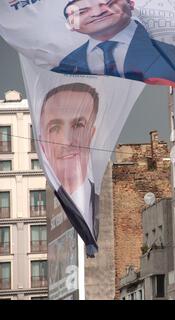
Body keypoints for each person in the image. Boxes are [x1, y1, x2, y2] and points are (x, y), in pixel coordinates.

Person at [52, 0, 175, 97]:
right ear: (71, 24)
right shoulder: (66, 64)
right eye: (82, 12)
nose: (98, 13)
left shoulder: (163, 51)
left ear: (131, 3)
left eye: (109, 3)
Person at [40, 83, 100, 256]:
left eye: (78, 126)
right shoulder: (50, 208)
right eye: (55, 128)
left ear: (91, 134)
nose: (67, 141)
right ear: (42, 142)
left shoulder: (99, 204)